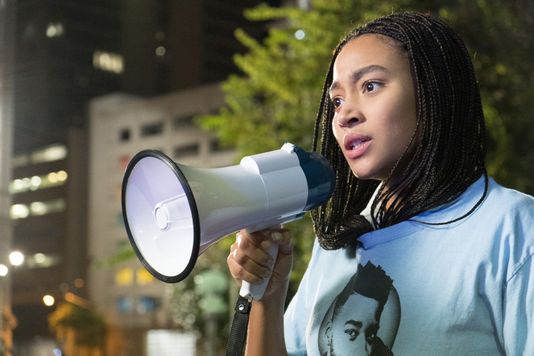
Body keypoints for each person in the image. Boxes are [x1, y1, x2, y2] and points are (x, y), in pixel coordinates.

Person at [227, 12, 534, 355]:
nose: (344, 115)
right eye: (338, 100)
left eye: (370, 86)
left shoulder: (511, 228)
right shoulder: (338, 243)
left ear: (432, 93)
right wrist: (268, 297)